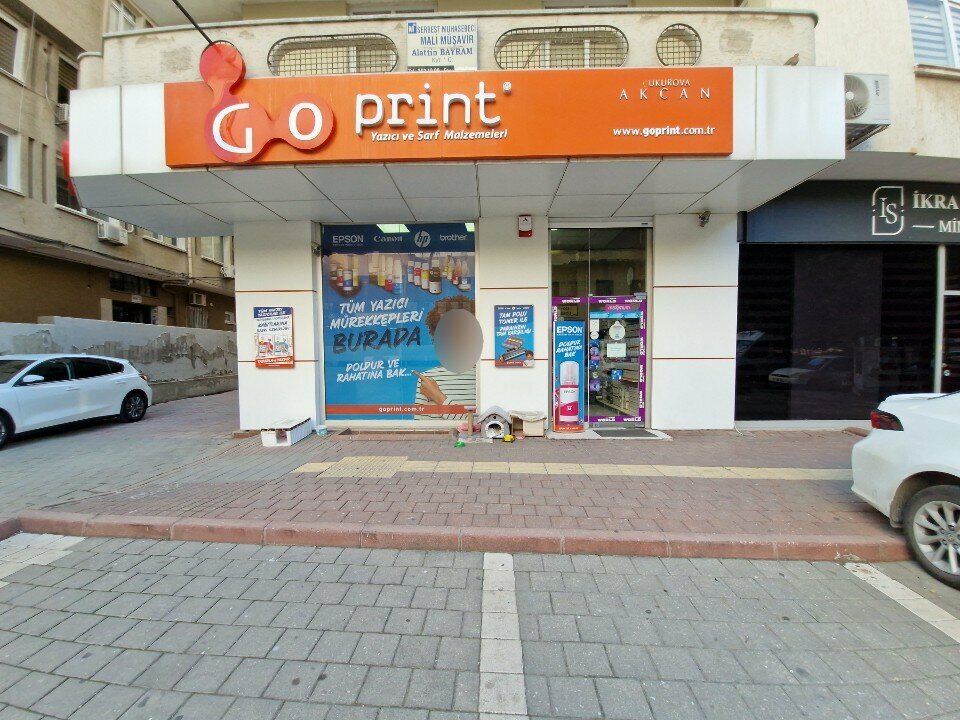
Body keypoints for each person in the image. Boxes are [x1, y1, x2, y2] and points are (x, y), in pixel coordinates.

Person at [414, 296, 476, 420]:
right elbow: (421, 427)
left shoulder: (482, 377)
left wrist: (438, 397)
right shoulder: (427, 379)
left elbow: (479, 425)